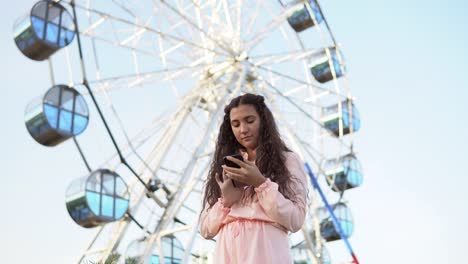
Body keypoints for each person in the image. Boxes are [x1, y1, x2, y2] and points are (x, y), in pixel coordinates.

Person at [199, 93, 308, 263]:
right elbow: (206, 229)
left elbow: (295, 220)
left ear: (263, 121)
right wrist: (225, 202)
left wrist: (261, 183)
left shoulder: (287, 161)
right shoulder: (225, 165)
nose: (243, 129)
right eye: (235, 124)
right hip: (227, 252)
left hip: (265, 249)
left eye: (250, 121)